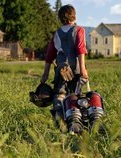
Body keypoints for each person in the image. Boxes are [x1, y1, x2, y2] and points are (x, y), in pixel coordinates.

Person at [40, 4, 89, 134]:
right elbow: (80, 49)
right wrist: (83, 69)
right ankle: (74, 124)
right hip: (76, 68)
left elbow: (50, 55)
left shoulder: (57, 33)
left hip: (60, 67)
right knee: (75, 95)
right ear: (74, 16)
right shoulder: (79, 30)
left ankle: (60, 124)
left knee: (59, 95)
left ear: (60, 18)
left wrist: (45, 74)